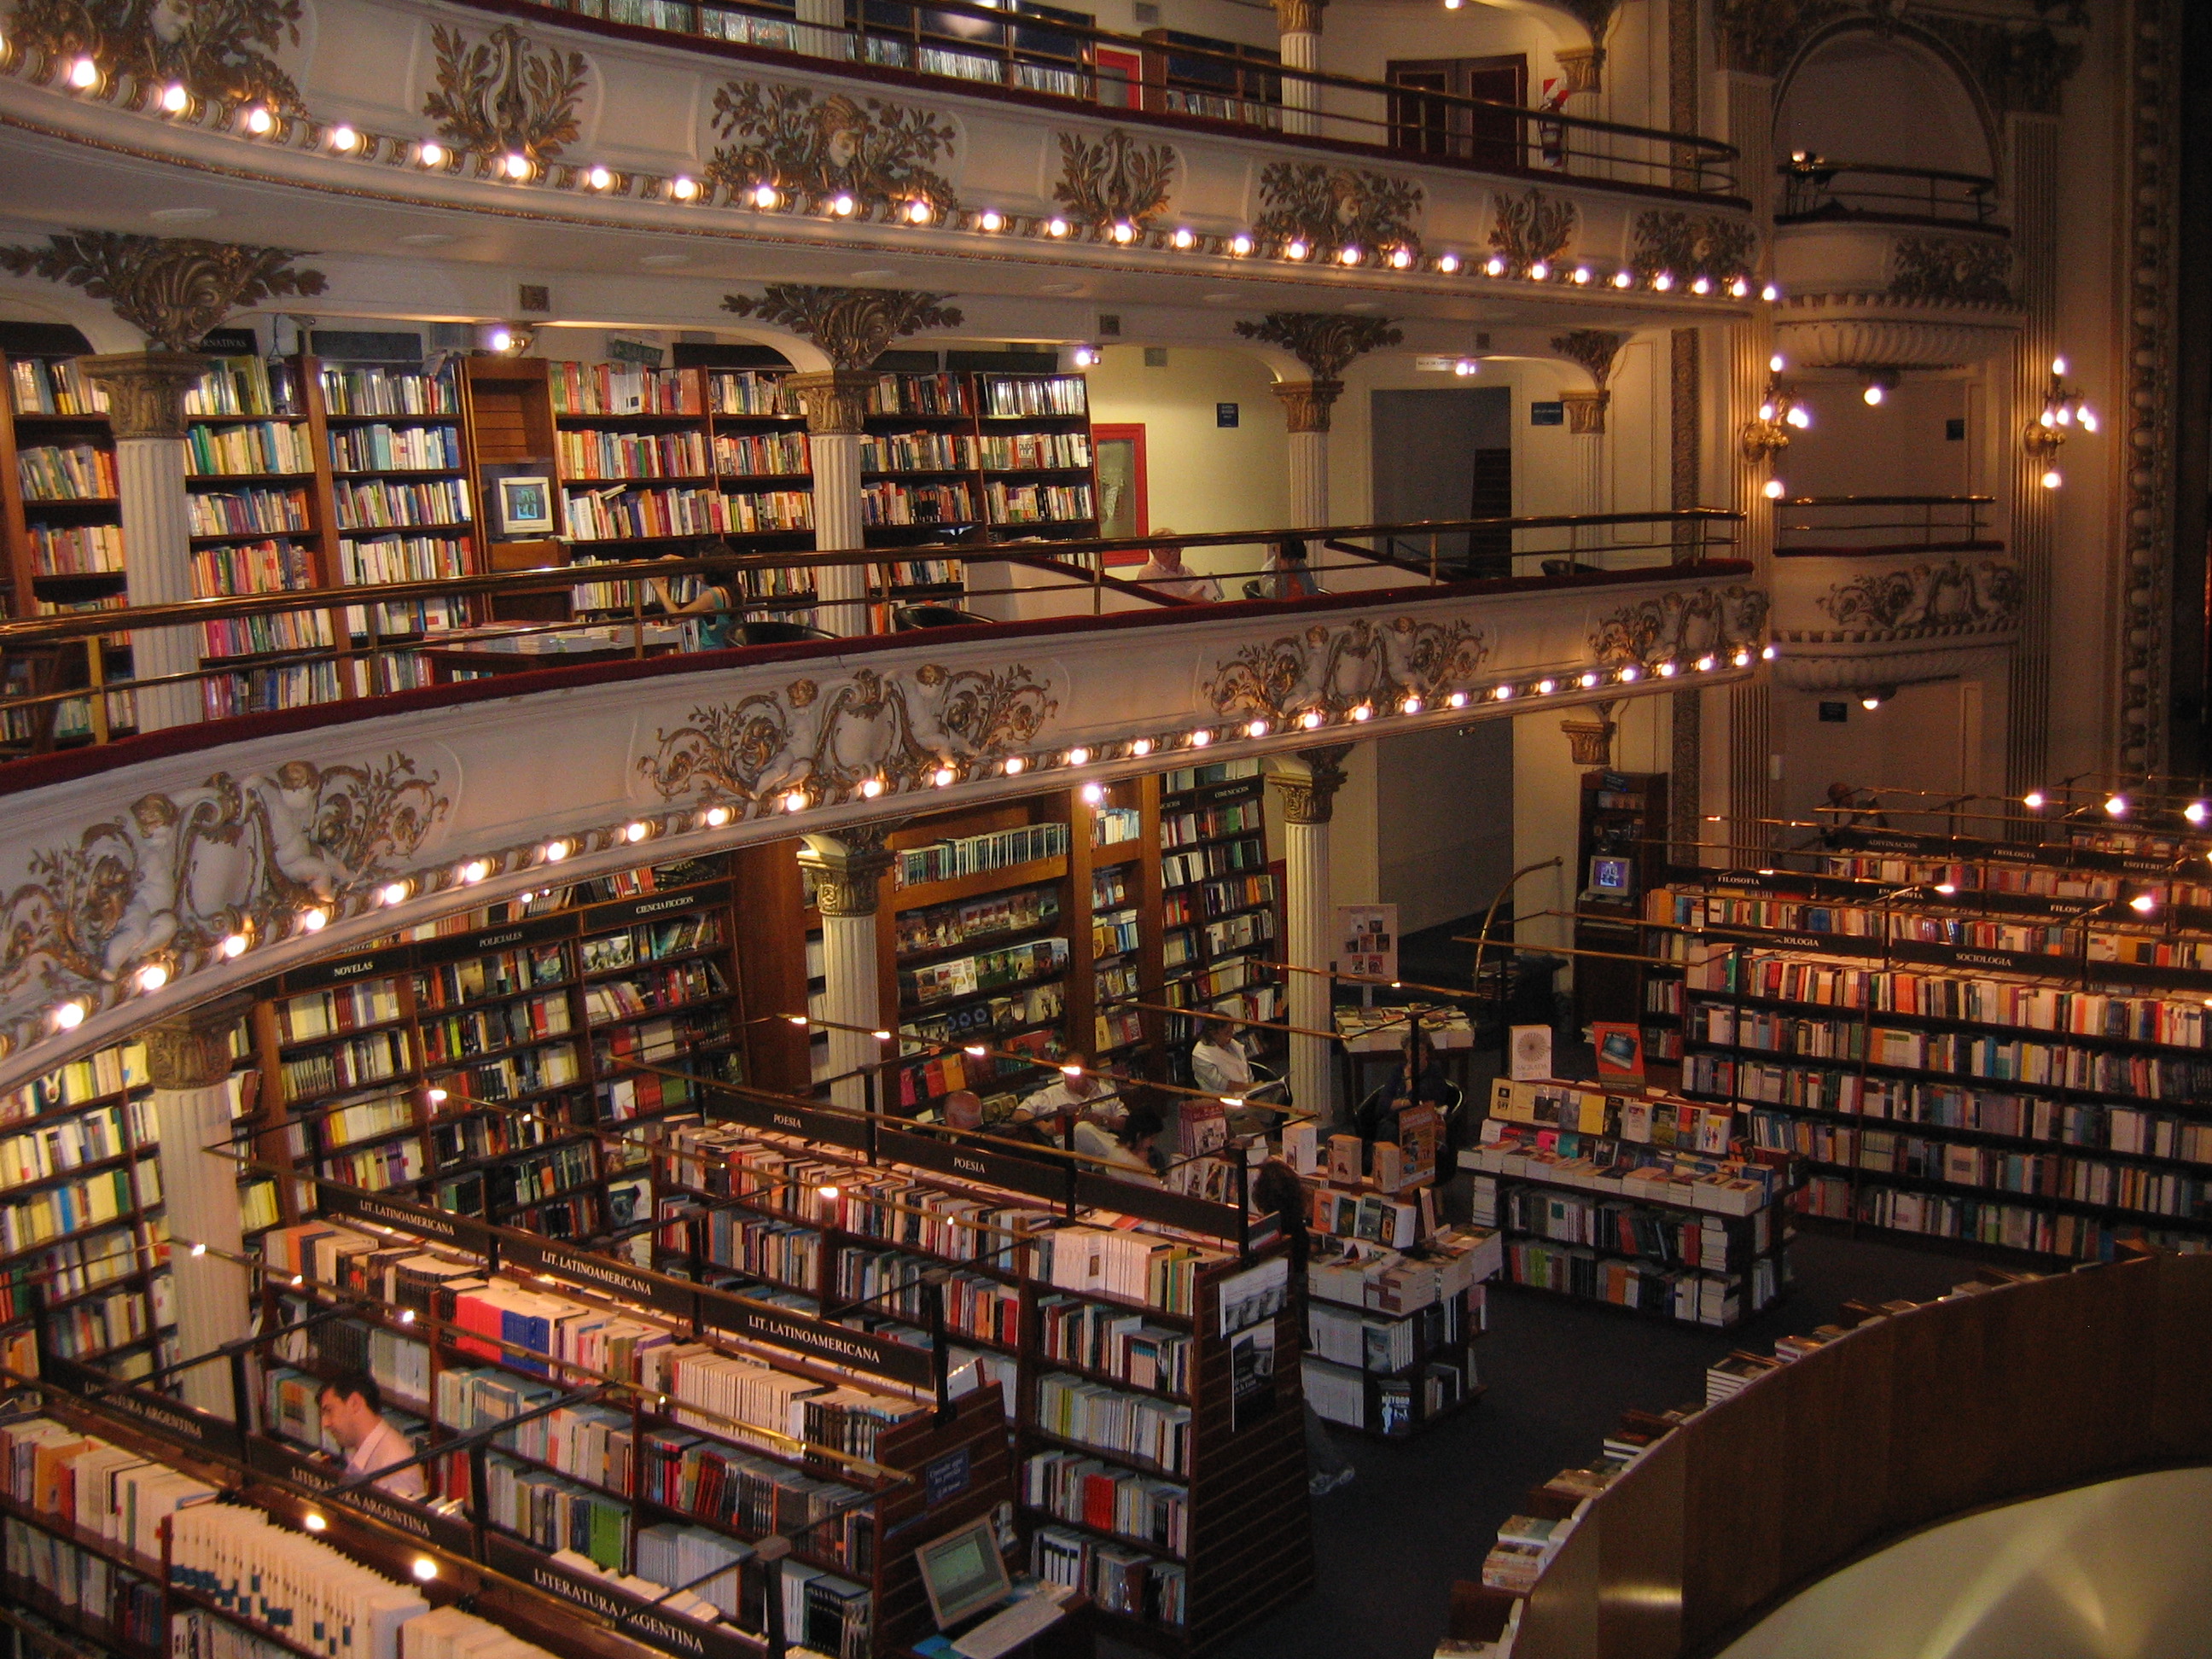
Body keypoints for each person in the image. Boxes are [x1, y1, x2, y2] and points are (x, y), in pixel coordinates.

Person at [1252, 1160, 1353, 1495]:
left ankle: (1330, 1463)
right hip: (1291, 1318)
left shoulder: (1276, 1235)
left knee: (1292, 1396)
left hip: (1281, 1322)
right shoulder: (1296, 1228)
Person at [318, 1371, 426, 1499]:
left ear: (355, 1403)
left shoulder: (395, 1469)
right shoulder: (354, 1447)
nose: (325, 1423)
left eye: (329, 1411)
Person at [647, 543, 741, 649]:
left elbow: (677, 617)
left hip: (713, 651)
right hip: (729, 648)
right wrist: (683, 562)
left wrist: (659, 588)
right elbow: (700, 576)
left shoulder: (712, 595)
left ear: (709, 568)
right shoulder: (737, 589)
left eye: (701, 565)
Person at [1075, 1103, 1165, 1182]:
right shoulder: (1133, 1164)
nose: (1153, 1143)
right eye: (1152, 1138)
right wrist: (1144, 1164)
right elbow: (1158, 1190)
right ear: (1139, 1136)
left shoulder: (1117, 1151)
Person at [1132, 530, 1224, 602]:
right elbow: (1153, 609)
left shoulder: (1187, 571)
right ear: (1155, 551)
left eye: (1177, 548)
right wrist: (1189, 601)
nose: (1176, 553)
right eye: (1169, 550)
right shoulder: (1147, 574)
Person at [1259, 537, 1321, 601]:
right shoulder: (1267, 572)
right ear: (1280, 556)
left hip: (1304, 606)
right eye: (1290, 560)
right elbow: (1273, 596)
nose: (1294, 564)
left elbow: (1312, 590)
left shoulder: (1299, 564)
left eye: (1297, 560)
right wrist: (1283, 573)